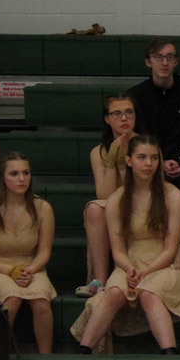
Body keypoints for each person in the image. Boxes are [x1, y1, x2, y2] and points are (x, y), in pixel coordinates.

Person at [70, 136, 180, 354]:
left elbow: (170, 249)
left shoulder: (174, 196)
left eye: (154, 158)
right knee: (113, 293)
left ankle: (170, 354)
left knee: (148, 293)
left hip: (166, 264)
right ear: (129, 161)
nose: (149, 163)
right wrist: (129, 269)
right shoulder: (116, 200)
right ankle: (84, 351)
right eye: (142, 157)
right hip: (129, 262)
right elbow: (118, 250)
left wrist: (146, 272)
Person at [0, 153, 56, 353]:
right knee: (12, 298)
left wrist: (29, 270)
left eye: (26, 173)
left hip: (30, 266)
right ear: (3, 178)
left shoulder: (43, 208)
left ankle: (46, 357)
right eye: (14, 174)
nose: (21, 179)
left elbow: (44, 252)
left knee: (41, 302)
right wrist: (10, 270)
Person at [127, 38, 180, 202]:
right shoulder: (135, 96)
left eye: (170, 57)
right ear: (148, 62)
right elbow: (133, 137)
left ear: (176, 62)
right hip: (145, 164)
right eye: (158, 57)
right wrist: (157, 162)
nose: (164, 63)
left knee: (179, 196)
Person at [75, 93, 138, 297]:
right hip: (113, 206)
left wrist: (124, 165)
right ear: (107, 119)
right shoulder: (98, 152)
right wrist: (113, 160)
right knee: (94, 208)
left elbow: (139, 189)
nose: (124, 118)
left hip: (141, 204)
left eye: (129, 112)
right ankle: (99, 280)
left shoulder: (146, 146)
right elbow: (104, 194)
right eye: (117, 113)